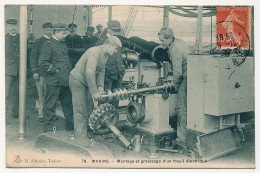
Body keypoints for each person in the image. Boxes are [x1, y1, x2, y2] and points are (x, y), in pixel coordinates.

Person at [69, 36, 122, 138]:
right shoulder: (94, 52)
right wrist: (94, 91)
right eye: (115, 49)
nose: (115, 52)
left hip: (87, 82)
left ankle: (88, 132)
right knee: (80, 109)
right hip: (77, 80)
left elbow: (101, 71)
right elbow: (89, 72)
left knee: (90, 107)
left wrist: (100, 87)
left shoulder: (105, 55)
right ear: (108, 45)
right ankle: (80, 137)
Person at [38, 23, 74, 132]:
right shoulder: (48, 44)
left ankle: (71, 128)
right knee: (50, 105)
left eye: (66, 33)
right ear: (56, 32)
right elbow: (42, 63)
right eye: (63, 33)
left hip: (65, 80)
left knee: (68, 104)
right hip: (53, 81)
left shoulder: (62, 43)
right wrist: (56, 70)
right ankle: (48, 129)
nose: (65, 35)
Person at [158, 27, 188, 150]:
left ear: (169, 38)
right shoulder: (179, 42)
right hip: (194, 76)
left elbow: (177, 72)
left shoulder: (175, 48)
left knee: (181, 107)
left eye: (162, 41)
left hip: (187, 77)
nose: (161, 43)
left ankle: (181, 138)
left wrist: (173, 87)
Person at [95, 20, 125, 108]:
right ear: (108, 29)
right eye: (114, 31)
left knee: (116, 95)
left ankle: (113, 116)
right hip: (107, 73)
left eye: (117, 31)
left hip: (119, 71)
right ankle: (103, 117)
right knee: (105, 96)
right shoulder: (102, 40)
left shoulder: (119, 39)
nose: (116, 33)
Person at [30, 22, 53, 120]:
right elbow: (33, 57)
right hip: (41, 72)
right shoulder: (39, 41)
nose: (49, 31)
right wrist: (35, 71)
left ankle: (48, 113)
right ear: (43, 30)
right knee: (41, 93)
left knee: (50, 93)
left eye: (50, 29)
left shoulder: (54, 40)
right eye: (47, 29)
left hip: (51, 72)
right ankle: (41, 112)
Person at [5, 19, 19, 119]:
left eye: (14, 25)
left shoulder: (21, 37)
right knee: (5, 93)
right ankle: (3, 116)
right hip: (7, 70)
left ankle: (17, 113)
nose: (12, 27)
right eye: (10, 26)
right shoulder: (4, 38)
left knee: (19, 92)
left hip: (20, 70)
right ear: (7, 27)